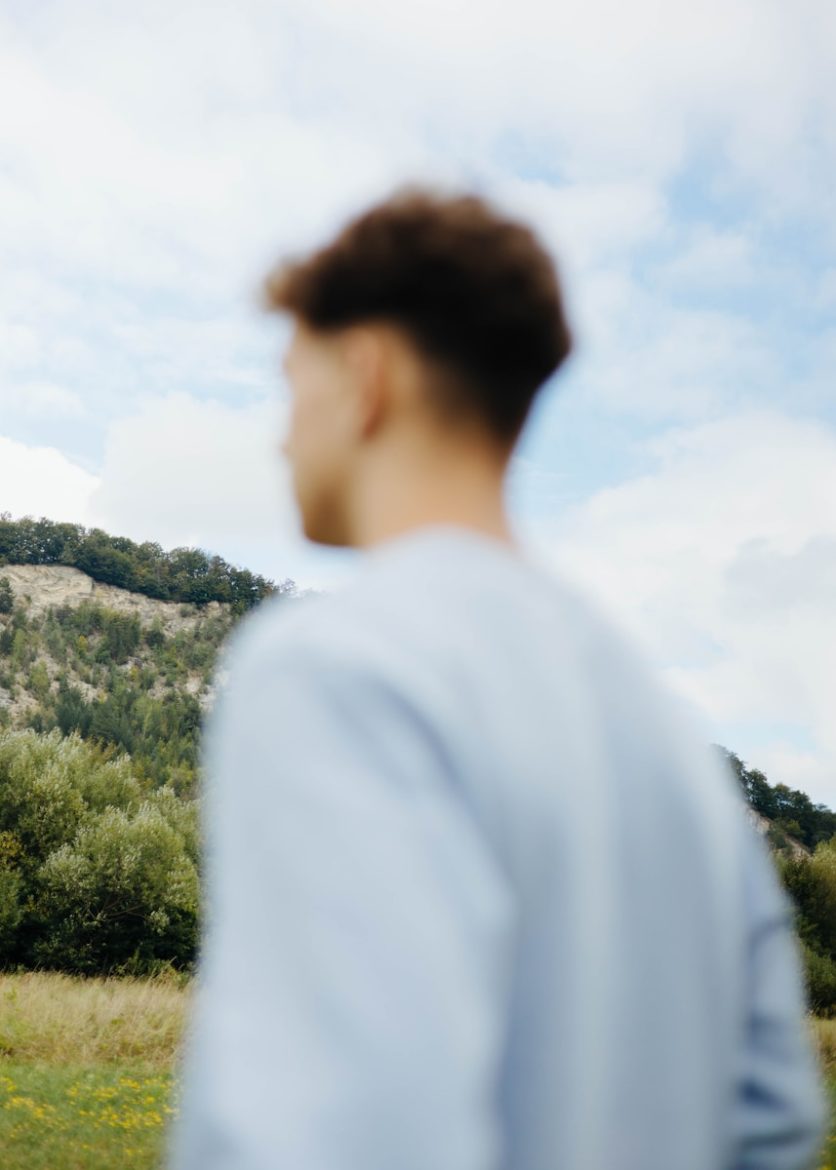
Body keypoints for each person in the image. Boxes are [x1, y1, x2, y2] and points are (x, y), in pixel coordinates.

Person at [168, 189, 827, 1170]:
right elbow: (773, 1116)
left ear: (364, 376)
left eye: (288, 382)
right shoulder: (662, 733)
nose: (278, 434)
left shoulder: (332, 667)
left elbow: (340, 1138)